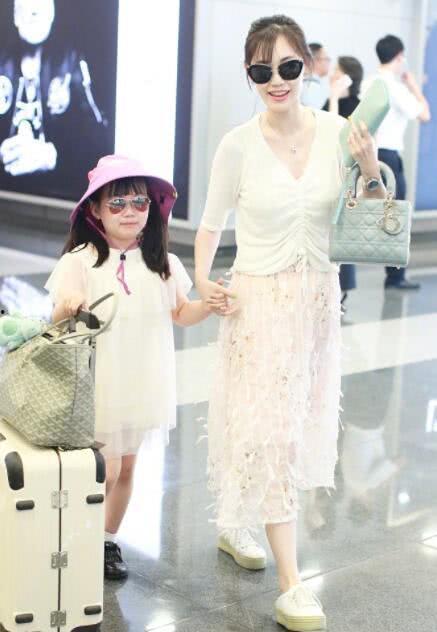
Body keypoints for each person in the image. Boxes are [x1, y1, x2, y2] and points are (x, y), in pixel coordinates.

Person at [195, 14, 385, 631]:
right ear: (249, 75)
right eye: (261, 70)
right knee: (270, 430)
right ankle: (290, 582)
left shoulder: (338, 133)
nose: (276, 80)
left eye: (288, 66)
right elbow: (210, 223)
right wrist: (202, 278)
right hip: (258, 306)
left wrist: (370, 168)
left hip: (317, 305)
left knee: (293, 425)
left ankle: (236, 524)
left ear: (307, 64)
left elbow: (368, 215)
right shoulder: (237, 144)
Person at [45, 155, 211, 580]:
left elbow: (181, 312)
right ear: (95, 210)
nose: (130, 211)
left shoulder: (162, 263)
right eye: (116, 203)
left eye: (139, 202)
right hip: (97, 382)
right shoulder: (80, 260)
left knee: (128, 468)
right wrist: (68, 306)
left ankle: (106, 540)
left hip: (142, 379)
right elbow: (58, 319)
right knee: (107, 468)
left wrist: (209, 305)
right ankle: (77, 539)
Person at [0, 0, 107, 183]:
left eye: (40, 6)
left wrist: (53, 156)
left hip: (57, 187)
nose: (33, 12)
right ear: (15, 15)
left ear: (52, 13)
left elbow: (99, 138)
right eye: (25, 7)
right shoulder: (3, 60)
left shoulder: (71, 60)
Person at [361, 34, 431, 290]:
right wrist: (413, 86)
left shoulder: (369, 82)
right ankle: (395, 277)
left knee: (374, 213)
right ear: (399, 57)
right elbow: (424, 114)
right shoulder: (396, 87)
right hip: (389, 157)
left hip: (368, 154)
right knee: (396, 217)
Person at [323, 56, 364, 309]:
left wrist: (335, 98)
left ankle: (341, 290)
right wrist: (333, 98)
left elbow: (336, 135)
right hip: (327, 172)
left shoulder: (357, 107)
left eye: (338, 71)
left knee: (342, 233)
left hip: (347, 176)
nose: (333, 75)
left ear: (349, 77)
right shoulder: (331, 102)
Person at [301, 42, 331, 109]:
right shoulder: (312, 87)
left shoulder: (308, 84)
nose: (329, 62)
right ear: (315, 60)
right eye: (327, 59)